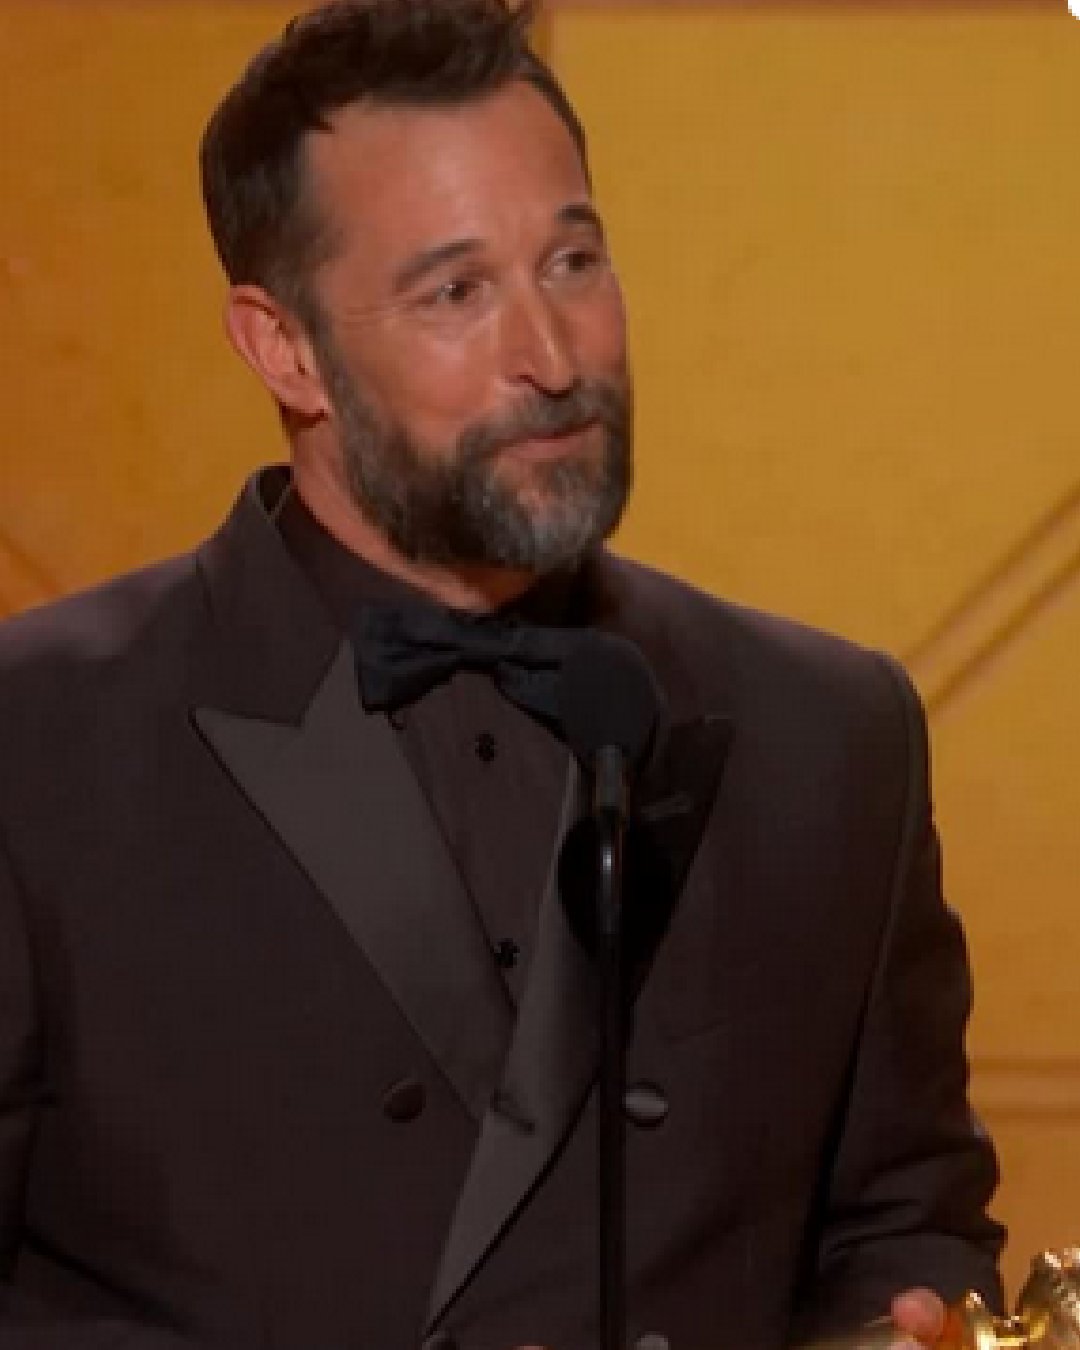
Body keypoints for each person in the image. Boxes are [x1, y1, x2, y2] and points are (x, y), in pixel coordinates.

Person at [0, 2, 1004, 1348]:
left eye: (573, 261)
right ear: (284, 346)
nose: (553, 356)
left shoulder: (832, 734)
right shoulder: (36, 746)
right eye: (456, 292)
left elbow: (906, 1221)